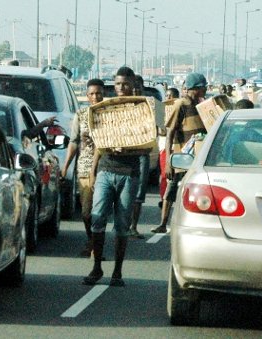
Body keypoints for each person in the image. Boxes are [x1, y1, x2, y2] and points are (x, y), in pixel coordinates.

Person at [83, 66, 142, 287]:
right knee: (97, 217)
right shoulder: (106, 108)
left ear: (133, 84)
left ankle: (117, 272)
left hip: (128, 173)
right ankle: (97, 267)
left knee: (121, 225)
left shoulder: (140, 108)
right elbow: (100, 141)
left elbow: (147, 146)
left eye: (125, 84)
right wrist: (93, 169)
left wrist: (126, 149)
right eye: (117, 84)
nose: (121, 88)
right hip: (105, 171)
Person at [152, 73, 208, 234]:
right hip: (181, 156)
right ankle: (163, 223)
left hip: (197, 159)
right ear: (195, 89)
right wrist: (170, 162)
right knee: (170, 192)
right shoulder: (181, 105)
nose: (205, 89)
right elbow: (170, 134)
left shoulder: (201, 105)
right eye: (202, 87)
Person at [61, 79, 104, 257]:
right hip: (85, 168)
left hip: (105, 168)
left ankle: (97, 247)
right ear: (87, 96)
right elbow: (74, 142)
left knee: (100, 212)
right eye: (92, 94)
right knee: (86, 213)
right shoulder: (81, 115)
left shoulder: (110, 114)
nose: (95, 96)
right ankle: (92, 240)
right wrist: (65, 167)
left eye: (98, 93)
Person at [125, 74, 150, 240]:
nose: (135, 90)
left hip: (142, 154)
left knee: (139, 193)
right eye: (132, 87)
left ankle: (133, 226)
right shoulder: (120, 106)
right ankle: (123, 225)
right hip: (124, 154)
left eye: (138, 87)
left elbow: (161, 128)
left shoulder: (149, 106)